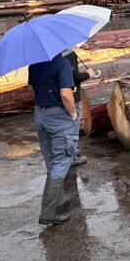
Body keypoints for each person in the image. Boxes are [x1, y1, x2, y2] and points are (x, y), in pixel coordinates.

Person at [29, 53, 77, 225]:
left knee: (50, 159)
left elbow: (34, 87)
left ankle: (58, 198)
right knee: (63, 159)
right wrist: (73, 113)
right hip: (58, 115)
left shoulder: (34, 64)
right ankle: (49, 211)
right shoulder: (62, 63)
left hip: (40, 114)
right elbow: (65, 94)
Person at [62, 49, 101, 167]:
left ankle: (71, 150)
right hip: (72, 96)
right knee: (72, 126)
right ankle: (71, 155)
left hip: (61, 96)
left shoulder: (57, 53)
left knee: (67, 126)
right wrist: (87, 74)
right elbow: (72, 76)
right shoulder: (68, 53)